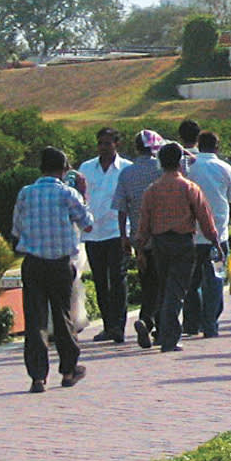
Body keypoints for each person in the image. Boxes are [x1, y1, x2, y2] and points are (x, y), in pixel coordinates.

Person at [11, 146, 95, 392]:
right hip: (60, 262)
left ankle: (38, 376)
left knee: (35, 319)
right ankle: (68, 370)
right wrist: (83, 194)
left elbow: (16, 229)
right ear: (64, 169)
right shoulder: (67, 194)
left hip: (33, 263)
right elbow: (87, 224)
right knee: (63, 317)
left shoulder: (26, 193)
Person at [135, 143, 218, 353]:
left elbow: (143, 223)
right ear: (180, 162)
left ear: (161, 163)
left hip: (159, 243)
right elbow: (204, 217)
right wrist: (214, 240)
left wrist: (140, 250)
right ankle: (170, 338)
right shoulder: (189, 188)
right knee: (177, 290)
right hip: (182, 242)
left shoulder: (152, 190)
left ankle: (161, 330)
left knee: (165, 287)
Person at [183, 130, 231, 337]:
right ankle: (210, 324)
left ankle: (191, 323)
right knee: (215, 281)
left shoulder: (190, 168)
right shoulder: (225, 168)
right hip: (218, 236)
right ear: (217, 147)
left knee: (191, 282)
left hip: (193, 235)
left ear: (199, 145)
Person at [77, 127, 131, 343]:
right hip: (93, 233)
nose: (103, 147)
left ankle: (119, 326)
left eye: (108, 143)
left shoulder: (126, 169)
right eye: (100, 143)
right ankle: (108, 326)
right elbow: (80, 197)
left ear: (116, 144)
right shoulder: (86, 168)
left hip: (117, 232)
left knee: (118, 279)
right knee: (100, 281)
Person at [114, 130, 165, 346]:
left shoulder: (126, 173)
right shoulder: (161, 169)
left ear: (136, 148)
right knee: (164, 282)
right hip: (163, 233)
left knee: (147, 282)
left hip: (139, 236)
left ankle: (148, 320)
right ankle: (154, 323)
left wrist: (124, 236)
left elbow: (120, 208)